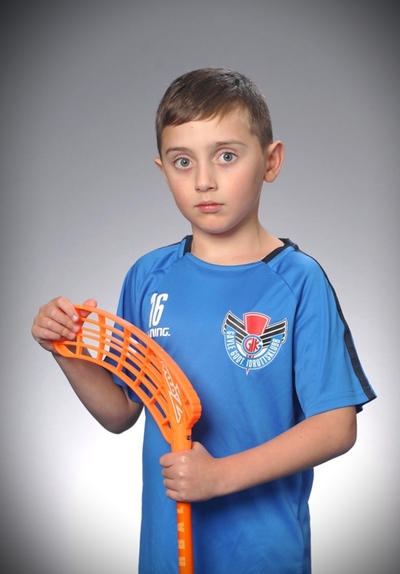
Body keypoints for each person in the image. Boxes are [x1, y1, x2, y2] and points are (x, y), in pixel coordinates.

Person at [32, 67, 376, 573]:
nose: (204, 180)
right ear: (162, 170)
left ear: (271, 161)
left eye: (227, 156)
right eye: (182, 161)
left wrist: (219, 477)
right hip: (168, 555)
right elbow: (120, 412)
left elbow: (336, 426)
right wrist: (66, 350)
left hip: (264, 558)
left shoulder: (298, 281)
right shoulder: (147, 276)